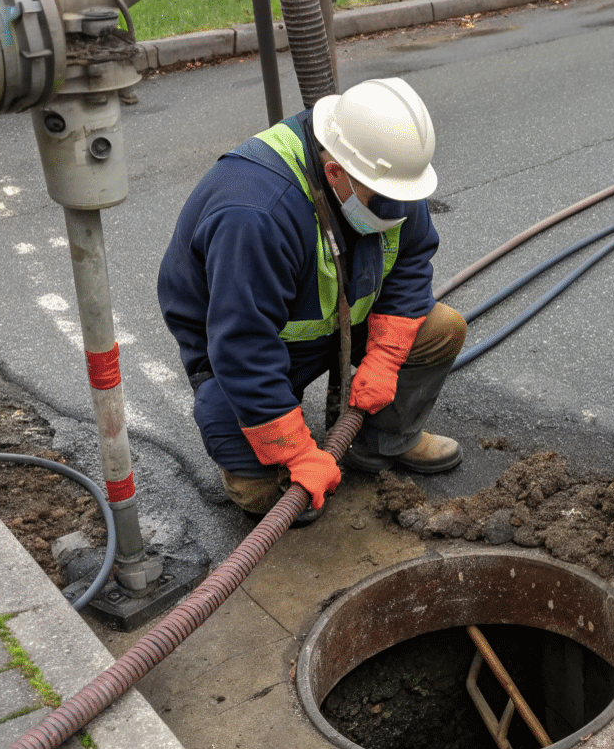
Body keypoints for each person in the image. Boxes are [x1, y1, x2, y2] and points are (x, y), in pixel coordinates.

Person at [158, 78, 465, 523]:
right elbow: (243, 345)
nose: (399, 212)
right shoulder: (256, 214)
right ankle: (278, 453)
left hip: (336, 321)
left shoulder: (385, 176)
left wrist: (385, 357)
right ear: (336, 172)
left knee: (440, 329)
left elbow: (413, 258)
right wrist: (297, 450)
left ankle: (384, 442)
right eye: (385, 201)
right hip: (245, 351)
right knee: (270, 498)